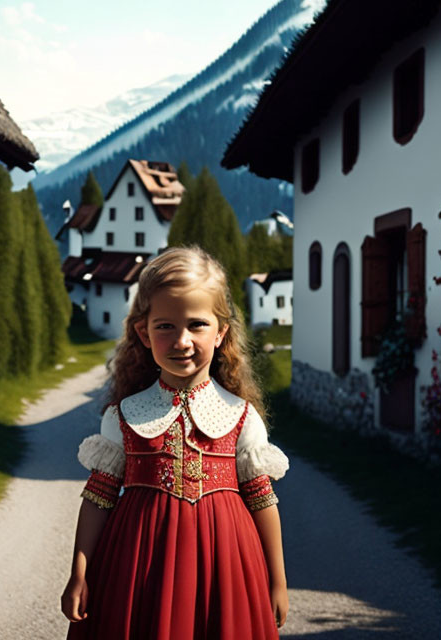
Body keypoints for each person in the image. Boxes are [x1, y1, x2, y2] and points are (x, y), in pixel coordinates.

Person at [60, 246, 289, 639]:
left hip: (226, 567)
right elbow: (98, 497)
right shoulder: (123, 416)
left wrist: (277, 580)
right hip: (137, 568)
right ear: (143, 333)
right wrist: (79, 571)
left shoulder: (241, 416)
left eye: (197, 325)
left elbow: (261, 500)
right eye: (165, 326)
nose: (182, 340)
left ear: (221, 333)